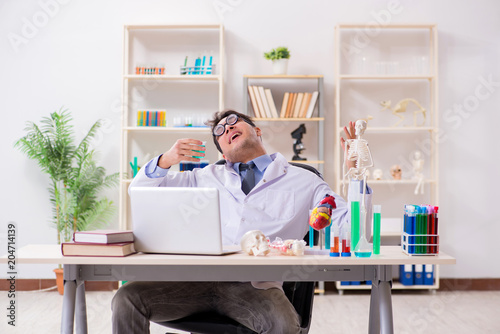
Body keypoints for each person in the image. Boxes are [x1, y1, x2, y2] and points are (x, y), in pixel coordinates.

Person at [112, 110, 371, 334]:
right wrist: (165, 160)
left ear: (257, 131)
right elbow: (139, 190)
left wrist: (356, 175)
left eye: (234, 121)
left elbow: (355, 233)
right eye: (220, 131)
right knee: (127, 299)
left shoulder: (305, 181)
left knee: (283, 324)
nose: (228, 128)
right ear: (223, 152)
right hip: (195, 283)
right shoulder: (203, 177)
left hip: (255, 288)